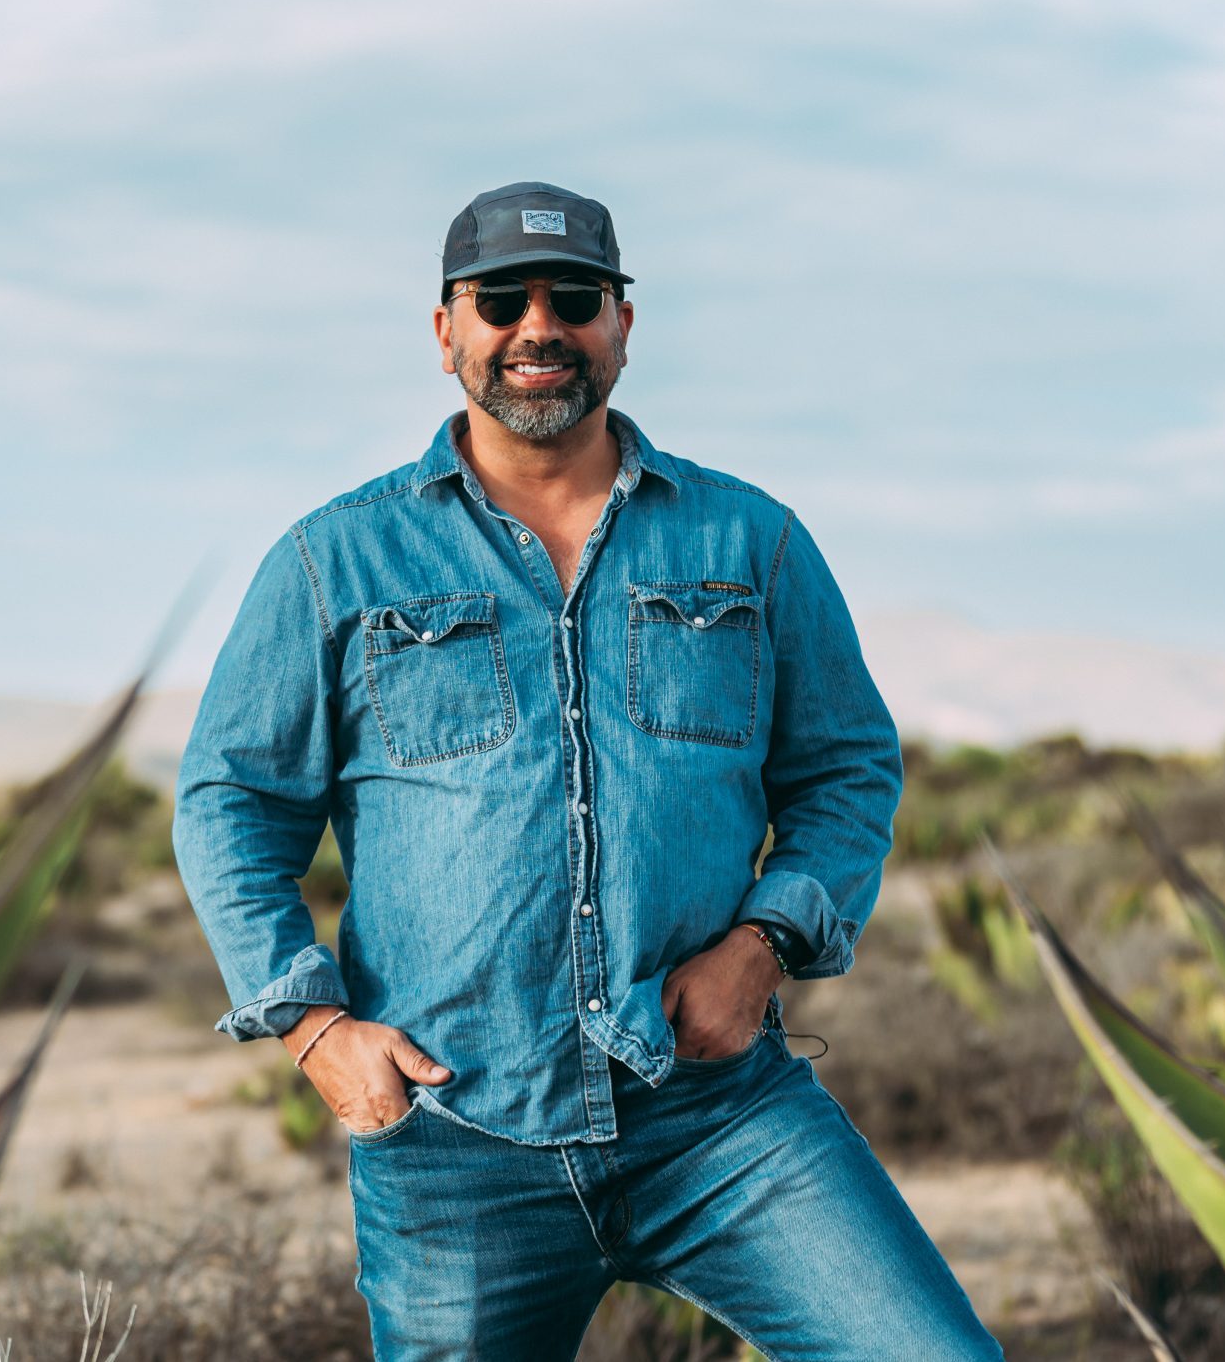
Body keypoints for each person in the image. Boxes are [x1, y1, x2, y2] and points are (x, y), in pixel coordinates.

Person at [172, 181, 1006, 1361]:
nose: (536, 326)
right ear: (444, 329)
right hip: (456, 1137)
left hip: (721, 1120)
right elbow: (231, 801)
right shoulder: (334, 560)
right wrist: (315, 1031)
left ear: (621, 323)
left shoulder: (747, 540)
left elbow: (845, 768)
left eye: (573, 297)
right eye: (499, 299)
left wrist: (763, 947)